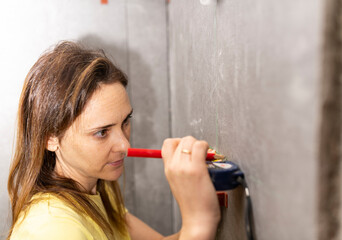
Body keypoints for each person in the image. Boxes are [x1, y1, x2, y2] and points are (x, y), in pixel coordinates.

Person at [7, 41, 220, 240]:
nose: (125, 146)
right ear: (50, 138)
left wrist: (196, 217)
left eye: (126, 121)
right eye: (102, 132)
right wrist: (200, 221)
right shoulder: (52, 229)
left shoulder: (97, 189)